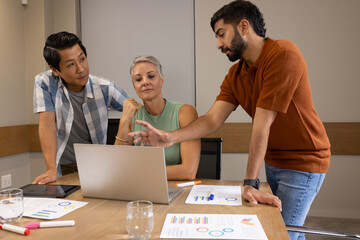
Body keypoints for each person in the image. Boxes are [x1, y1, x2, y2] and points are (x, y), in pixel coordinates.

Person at [129, 1, 330, 239]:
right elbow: (212, 120)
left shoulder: (282, 55)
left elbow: (262, 125)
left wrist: (250, 183)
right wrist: (169, 136)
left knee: (283, 233)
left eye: (221, 34)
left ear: (244, 26)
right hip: (274, 159)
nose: (218, 44)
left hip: (304, 160)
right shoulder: (236, 74)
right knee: (284, 229)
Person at [33, 31, 129, 184]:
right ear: (55, 70)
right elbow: (47, 125)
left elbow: (135, 111)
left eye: (82, 59)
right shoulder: (44, 83)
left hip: (98, 166)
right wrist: (51, 169)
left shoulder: (105, 87)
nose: (81, 69)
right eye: (71, 64)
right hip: (65, 165)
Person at [115, 55, 200, 180]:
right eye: (138, 79)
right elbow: (117, 166)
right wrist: (124, 120)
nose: (145, 82)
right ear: (134, 86)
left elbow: (188, 171)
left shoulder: (185, 112)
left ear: (162, 80)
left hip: (176, 188)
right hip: (141, 188)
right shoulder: (132, 116)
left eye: (151, 76)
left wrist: (139, 174)